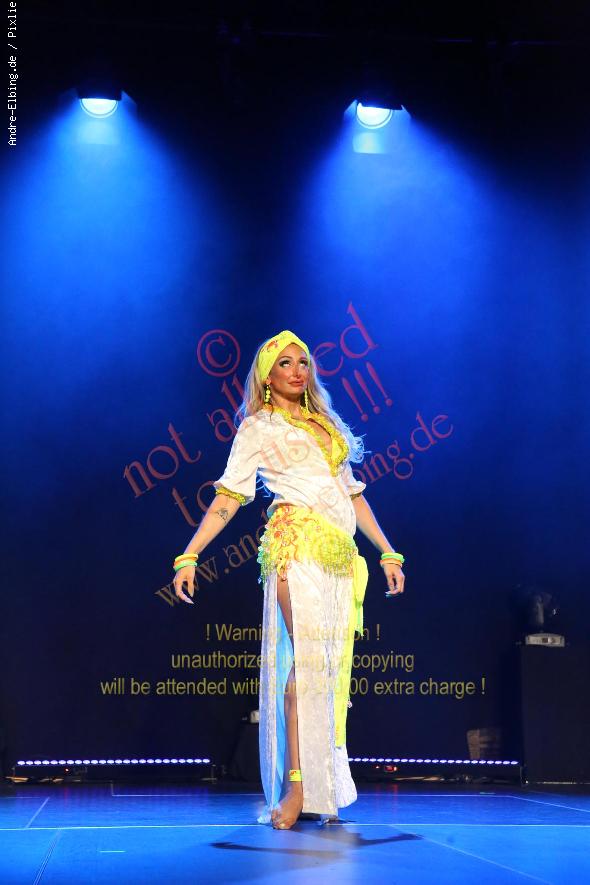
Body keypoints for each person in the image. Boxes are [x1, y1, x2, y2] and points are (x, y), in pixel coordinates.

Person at [172, 330, 406, 830]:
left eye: (303, 362)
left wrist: (387, 551)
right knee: (306, 667)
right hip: (295, 544)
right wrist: (189, 555)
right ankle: (297, 787)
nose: (297, 370)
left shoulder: (325, 424)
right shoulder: (258, 427)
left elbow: (352, 494)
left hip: (340, 557)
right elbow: (229, 497)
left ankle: (323, 786)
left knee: (329, 673)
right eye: (285, 363)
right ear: (266, 376)